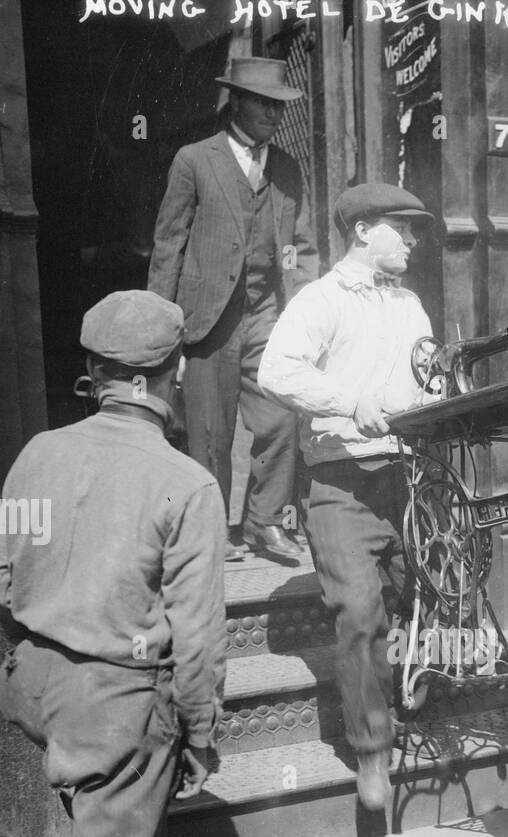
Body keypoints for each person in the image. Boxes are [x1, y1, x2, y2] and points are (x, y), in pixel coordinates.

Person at [0, 290, 227, 837]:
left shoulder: (35, 453)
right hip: (114, 705)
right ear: (170, 375)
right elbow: (199, 636)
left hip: (33, 683)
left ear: (97, 376)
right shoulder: (186, 483)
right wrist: (200, 732)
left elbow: (5, 569)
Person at [258, 182, 434, 809]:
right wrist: (348, 401)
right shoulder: (319, 300)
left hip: (406, 480)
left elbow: (425, 378)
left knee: (427, 589)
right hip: (339, 487)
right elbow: (276, 371)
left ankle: (409, 683)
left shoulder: (411, 305)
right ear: (361, 230)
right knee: (358, 613)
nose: (412, 241)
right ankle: (371, 753)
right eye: (401, 228)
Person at [148, 57, 317, 563]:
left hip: (268, 315)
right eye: (263, 103)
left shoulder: (287, 169)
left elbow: (299, 248)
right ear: (235, 103)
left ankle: (265, 522)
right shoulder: (194, 160)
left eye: (278, 105)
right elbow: (168, 245)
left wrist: (303, 313)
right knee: (208, 432)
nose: (273, 113)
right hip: (207, 319)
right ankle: (211, 529)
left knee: (282, 415)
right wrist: (164, 331)